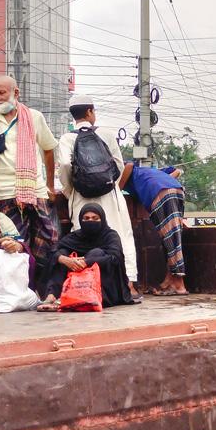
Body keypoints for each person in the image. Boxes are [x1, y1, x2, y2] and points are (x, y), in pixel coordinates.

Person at [0, 76, 59, 293]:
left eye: (1, 93)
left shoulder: (34, 117)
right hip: (2, 194)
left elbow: (49, 148)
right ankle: (22, 292)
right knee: (13, 246)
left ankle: (45, 292)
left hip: (35, 192)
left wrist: (51, 186)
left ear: (16, 93)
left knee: (48, 242)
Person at [58, 95, 140, 299]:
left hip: (82, 198)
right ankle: (128, 284)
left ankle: (86, 286)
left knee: (83, 239)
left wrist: (71, 191)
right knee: (121, 237)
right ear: (90, 112)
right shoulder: (107, 134)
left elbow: (65, 166)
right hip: (110, 196)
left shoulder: (67, 138)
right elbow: (119, 165)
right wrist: (109, 184)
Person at [38, 204, 135, 311]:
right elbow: (52, 251)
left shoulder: (110, 235)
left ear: (102, 219)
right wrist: (66, 260)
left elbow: (115, 258)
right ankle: (52, 295)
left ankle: (73, 297)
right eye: (86, 218)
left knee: (96, 252)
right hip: (74, 274)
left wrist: (87, 261)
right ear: (81, 220)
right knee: (62, 252)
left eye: (95, 218)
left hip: (104, 285)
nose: (90, 221)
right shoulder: (75, 236)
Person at [119, 162, 188, 295]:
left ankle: (179, 285)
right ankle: (169, 281)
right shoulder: (154, 171)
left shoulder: (129, 170)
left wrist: (117, 189)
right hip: (177, 191)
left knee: (172, 240)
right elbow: (177, 171)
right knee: (170, 239)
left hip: (162, 193)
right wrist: (165, 182)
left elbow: (129, 166)